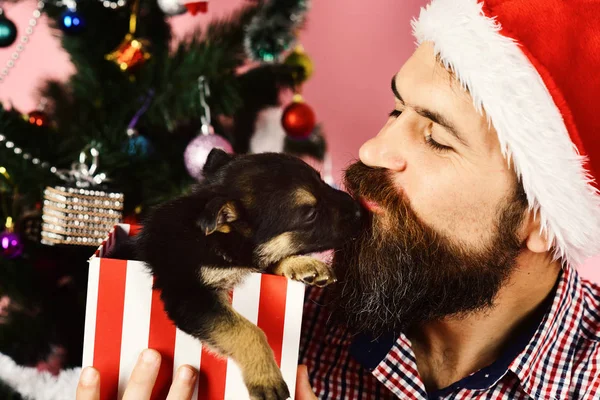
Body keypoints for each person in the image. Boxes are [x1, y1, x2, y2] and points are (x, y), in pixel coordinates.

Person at [78, 0, 600, 398]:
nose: (373, 149)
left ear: (540, 218)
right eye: (396, 111)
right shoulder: (285, 315)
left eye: (437, 137)